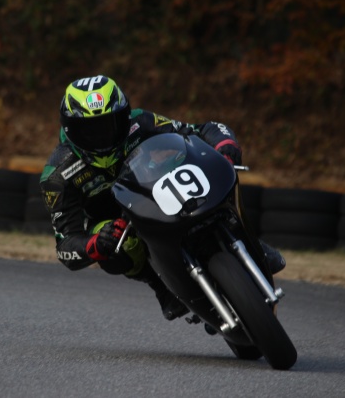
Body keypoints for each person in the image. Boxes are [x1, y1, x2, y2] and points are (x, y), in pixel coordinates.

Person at [39, 75, 285, 321]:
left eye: (109, 124)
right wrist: (95, 244)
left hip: (153, 190)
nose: (101, 137)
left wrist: (225, 147)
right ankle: (161, 287)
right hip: (115, 222)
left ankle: (248, 240)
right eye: (89, 131)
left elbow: (201, 130)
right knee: (118, 247)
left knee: (206, 171)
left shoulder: (139, 122)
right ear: (70, 129)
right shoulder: (57, 175)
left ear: (124, 116)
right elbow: (66, 246)